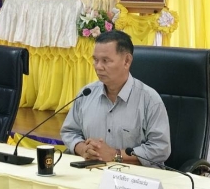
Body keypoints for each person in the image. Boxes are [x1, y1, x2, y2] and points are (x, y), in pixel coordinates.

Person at [61, 30, 170, 166]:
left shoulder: (149, 100)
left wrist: (115, 155)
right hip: (92, 172)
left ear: (127, 61)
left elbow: (160, 149)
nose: (98, 67)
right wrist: (84, 149)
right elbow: (70, 132)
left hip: (134, 175)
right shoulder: (86, 94)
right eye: (95, 60)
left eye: (105, 61)